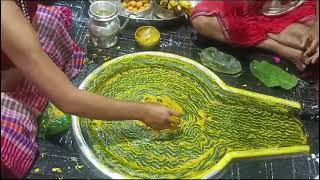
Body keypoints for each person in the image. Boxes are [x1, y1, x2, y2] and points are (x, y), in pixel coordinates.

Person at [1, 0, 180, 178]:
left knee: (50, 22)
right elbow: (68, 100)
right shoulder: (6, 15)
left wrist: (21, 58)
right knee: (7, 145)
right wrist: (144, 112)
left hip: (13, 37)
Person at [191, 0, 319, 72]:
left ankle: (272, 35)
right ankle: (276, 46)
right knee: (202, 20)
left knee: (313, 49)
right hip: (250, 12)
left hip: (299, 13)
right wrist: (281, 48)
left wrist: (317, 26)